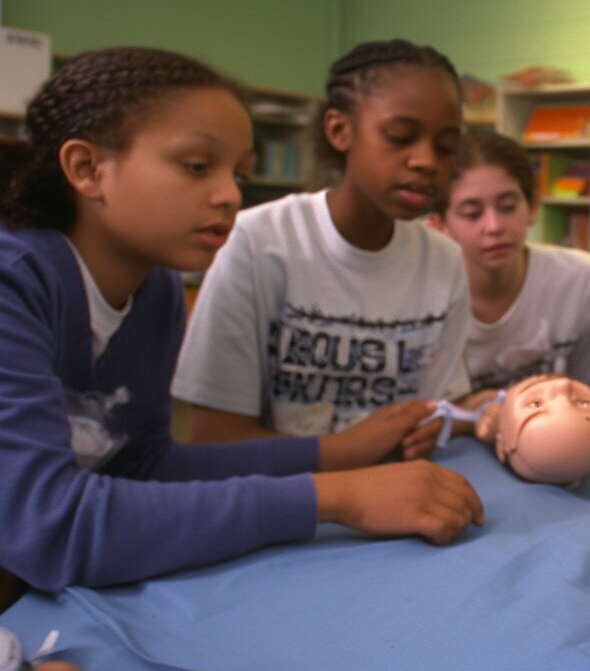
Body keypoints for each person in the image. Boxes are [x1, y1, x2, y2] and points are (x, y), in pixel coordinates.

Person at [0, 48, 482, 607]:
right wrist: (335, 497)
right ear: (88, 169)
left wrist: (337, 451)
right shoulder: (16, 283)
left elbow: (143, 466)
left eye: (240, 173)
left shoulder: (154, 288)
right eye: (197, 166)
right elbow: (50, 528)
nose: (230, 195)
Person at [173, 40, 472, 459]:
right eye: (400, 137)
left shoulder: (445, 260)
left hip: (403, 491)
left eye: (445, 146)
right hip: (280, 500)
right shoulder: (258, 242)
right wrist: (348, 451)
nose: (425, 160)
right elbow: (213, 438)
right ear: (339, 130)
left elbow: (436, 411)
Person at [427, 131, 590, 399]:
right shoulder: (420, 297)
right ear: (439, 226)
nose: (494, 227)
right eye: (472, 213)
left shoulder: (583, 281)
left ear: (533, 207)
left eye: (508, 206)